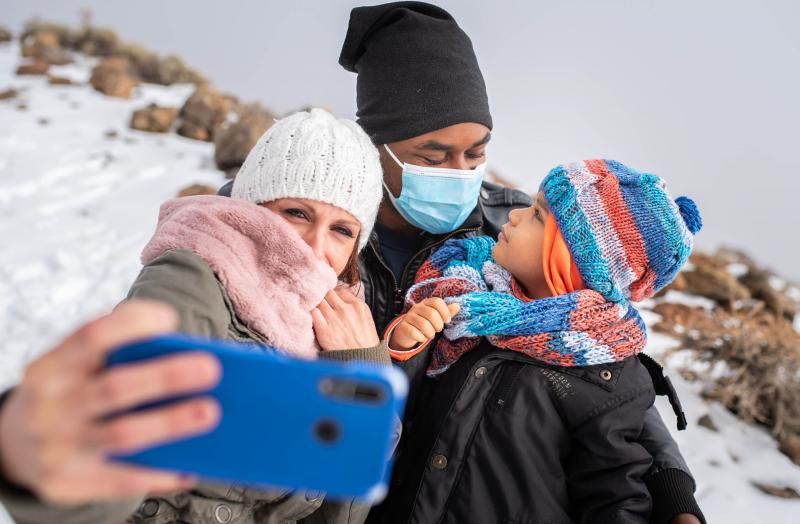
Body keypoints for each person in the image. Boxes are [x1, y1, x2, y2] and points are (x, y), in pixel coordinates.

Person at [0, 109, 389, 523]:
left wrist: (361, 370)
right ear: (252, 208)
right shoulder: (197, 277)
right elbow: (106, 470)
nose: (315, 246)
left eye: (342, 230)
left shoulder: (335, 323)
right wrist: (43, 458)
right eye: (297, 212)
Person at [382, 159, 702, 522]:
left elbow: (616, 496)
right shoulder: (467, 297)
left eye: (537, 215)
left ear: (572, 263)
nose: (515, 216)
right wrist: (405, 346)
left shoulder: (603, 375)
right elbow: (407, 409)